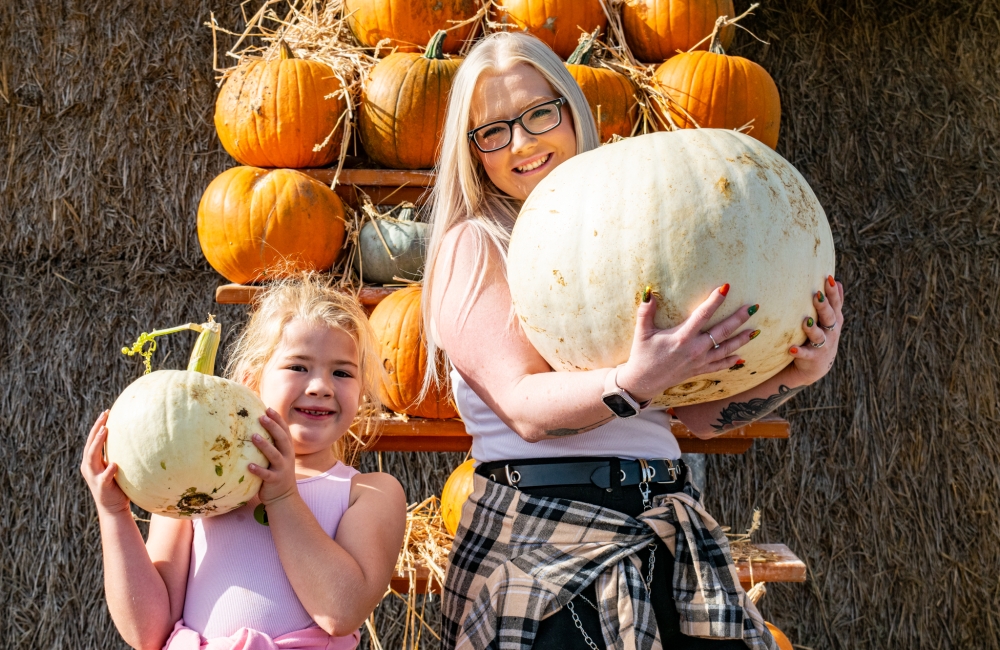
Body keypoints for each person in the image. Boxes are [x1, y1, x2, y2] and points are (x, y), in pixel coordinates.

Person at [423, 32, 845, 650]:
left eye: (541, 113)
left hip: (664, 519)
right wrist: (632, 381)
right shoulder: (475, 244)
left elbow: (694, 414)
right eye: (494, 130)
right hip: (547, 534)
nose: (524, 141)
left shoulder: (621, 239)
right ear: (473, 152)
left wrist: (794, 373)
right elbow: (523, 407)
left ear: (573, 110)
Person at [81, 277, 407, 650]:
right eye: (298, 367)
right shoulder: (196, 484)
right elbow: (147, 631)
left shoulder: (368, 492)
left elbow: (340, 611)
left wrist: (283, 497)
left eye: (342, 372)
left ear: (361, 390)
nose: (321, 386)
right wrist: (113, 513)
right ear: (250, 382)